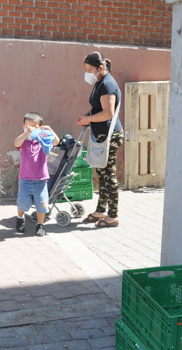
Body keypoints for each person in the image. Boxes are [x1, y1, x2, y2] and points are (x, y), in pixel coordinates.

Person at [76, 51, 124, 228]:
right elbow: (97, 108)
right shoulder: (99, 82)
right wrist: (86, 116)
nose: (87, 72)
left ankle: (113, 216)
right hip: (101, 135)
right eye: (86, 69)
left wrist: (89, 119)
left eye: (90, 69)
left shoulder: (107, 85)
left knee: (108, 175)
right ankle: (101, 210)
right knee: (102, 174)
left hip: (109, 136)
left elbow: (108, 113)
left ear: (100, 68)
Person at [14, 112, 59, 236]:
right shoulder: (24, 141)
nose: (31, 128)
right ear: (24, 125)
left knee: (42, 203)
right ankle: (19, 218)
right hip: (25, 179)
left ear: (40, 128)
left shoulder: (42, 141)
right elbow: (16, 143)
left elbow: (55, 142)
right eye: (28, 125)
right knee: (22, 202)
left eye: (35, 126)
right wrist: (26, 134)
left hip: (41, 179)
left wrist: (50, 130)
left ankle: (40, 225)